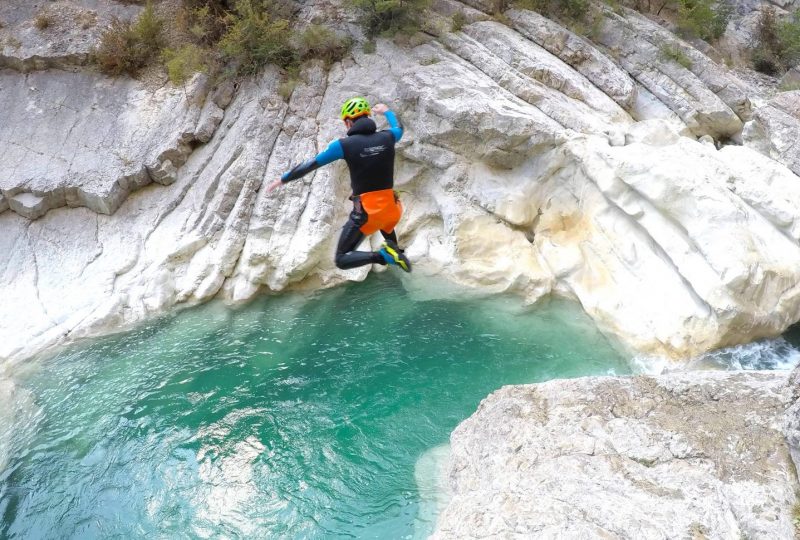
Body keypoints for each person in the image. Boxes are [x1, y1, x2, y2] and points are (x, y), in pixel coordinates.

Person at [267, 97, 412, 272]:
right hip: (393, 209)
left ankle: (382, 257)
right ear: (367, 116)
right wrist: (386, 111)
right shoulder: (388, 137)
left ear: (349, 122)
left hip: (368, 213)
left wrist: (282, 179)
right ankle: (394, 249)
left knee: (342, 259)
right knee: (385, 222)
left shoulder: (343, 145)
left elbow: (311, 165)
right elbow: (399, 128)